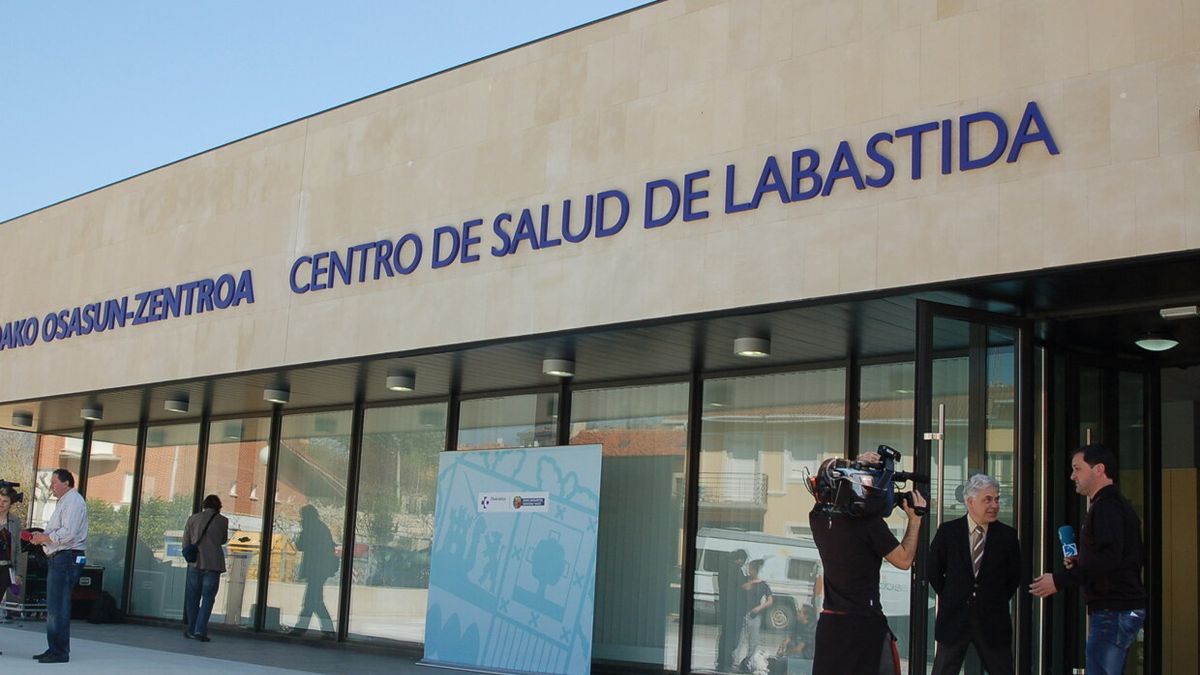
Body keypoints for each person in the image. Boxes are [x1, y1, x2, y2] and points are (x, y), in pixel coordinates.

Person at [1030, 444, 1146, 675]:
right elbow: (1112, 556)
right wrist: (1082, 560)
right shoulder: (1111, 506)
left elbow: (1108, 560)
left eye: (1077, 469)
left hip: (1113, 609)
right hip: (1116, 607)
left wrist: (1059, 580)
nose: (1073, 475)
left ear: (1099, 469)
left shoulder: (1107, 507)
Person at [808, 451, 926, 675]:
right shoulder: (869, 525)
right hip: (863, 623)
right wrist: (915, 519)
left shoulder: (818, 519)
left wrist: (855, 463)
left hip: (831, 624)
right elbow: (904, 559)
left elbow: (825, 483)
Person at [927, 473, 1021, 675]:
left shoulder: (1007, 536)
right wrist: (952, 594)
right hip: (955, 617)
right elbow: (933, 570)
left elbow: (1013, 577)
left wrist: (992, 598)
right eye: (987, 499)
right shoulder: (948, 532)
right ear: (970, 501)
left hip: (993, 621)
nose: (994, 505)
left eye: (996, 499)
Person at [28, 468, 88, 664]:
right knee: (54, 605)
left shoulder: (73, 502)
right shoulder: (66, 502)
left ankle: (59, 651)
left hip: (66, 557)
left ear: (67, 483)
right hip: (60, 557)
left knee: (59, 606)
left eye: (54, 482)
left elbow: (68, 533)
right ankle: (54, 647)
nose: (51, 487)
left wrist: (44, 538)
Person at [182, 494, 229, 642]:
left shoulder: (193, 519)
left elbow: (185, 541)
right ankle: (200, 631)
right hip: (213, 564)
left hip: (195, 563)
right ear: (218, 506)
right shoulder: (223, 521)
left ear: (204, 504)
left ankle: (190, 629)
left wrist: (189, 558)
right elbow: (223, 540)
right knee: (208, 599)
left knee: (192, 599)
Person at [293, 504, 336, 636]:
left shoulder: (310, 528)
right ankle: (323, 629)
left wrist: (301, 530)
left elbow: (300, 545)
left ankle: (304, 628)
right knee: (314, 600)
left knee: (312, 600)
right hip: (321, 569)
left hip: (315, 569)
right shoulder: (322, 527)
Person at [737, 558, 773, 671]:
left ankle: (748, 664)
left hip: (754, 615)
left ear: (755, 570)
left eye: (750, 569)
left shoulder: (763, 585)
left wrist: (759, 607)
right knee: (739, 640)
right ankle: (735, 664)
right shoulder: (745, 581)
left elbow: (770, 600)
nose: (749, 572)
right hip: (742, 614)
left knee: (753, 642)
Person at [716, 548, 749, 672]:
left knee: (725, 634)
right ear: (739, 559)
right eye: (743, 560)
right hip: (733, 608)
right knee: (732, 635)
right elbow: (741, 586)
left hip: (725, 606)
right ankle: (726, 659)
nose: (742, 563)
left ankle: (722, 659)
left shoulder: (724, 567)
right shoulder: (734, 570)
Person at [0, 485, 26, 624]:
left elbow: (17, 549)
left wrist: (19, 573)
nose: (1, 504)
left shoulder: (15, 521)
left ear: (10, 504)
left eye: (5, 501)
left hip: (5, 568)